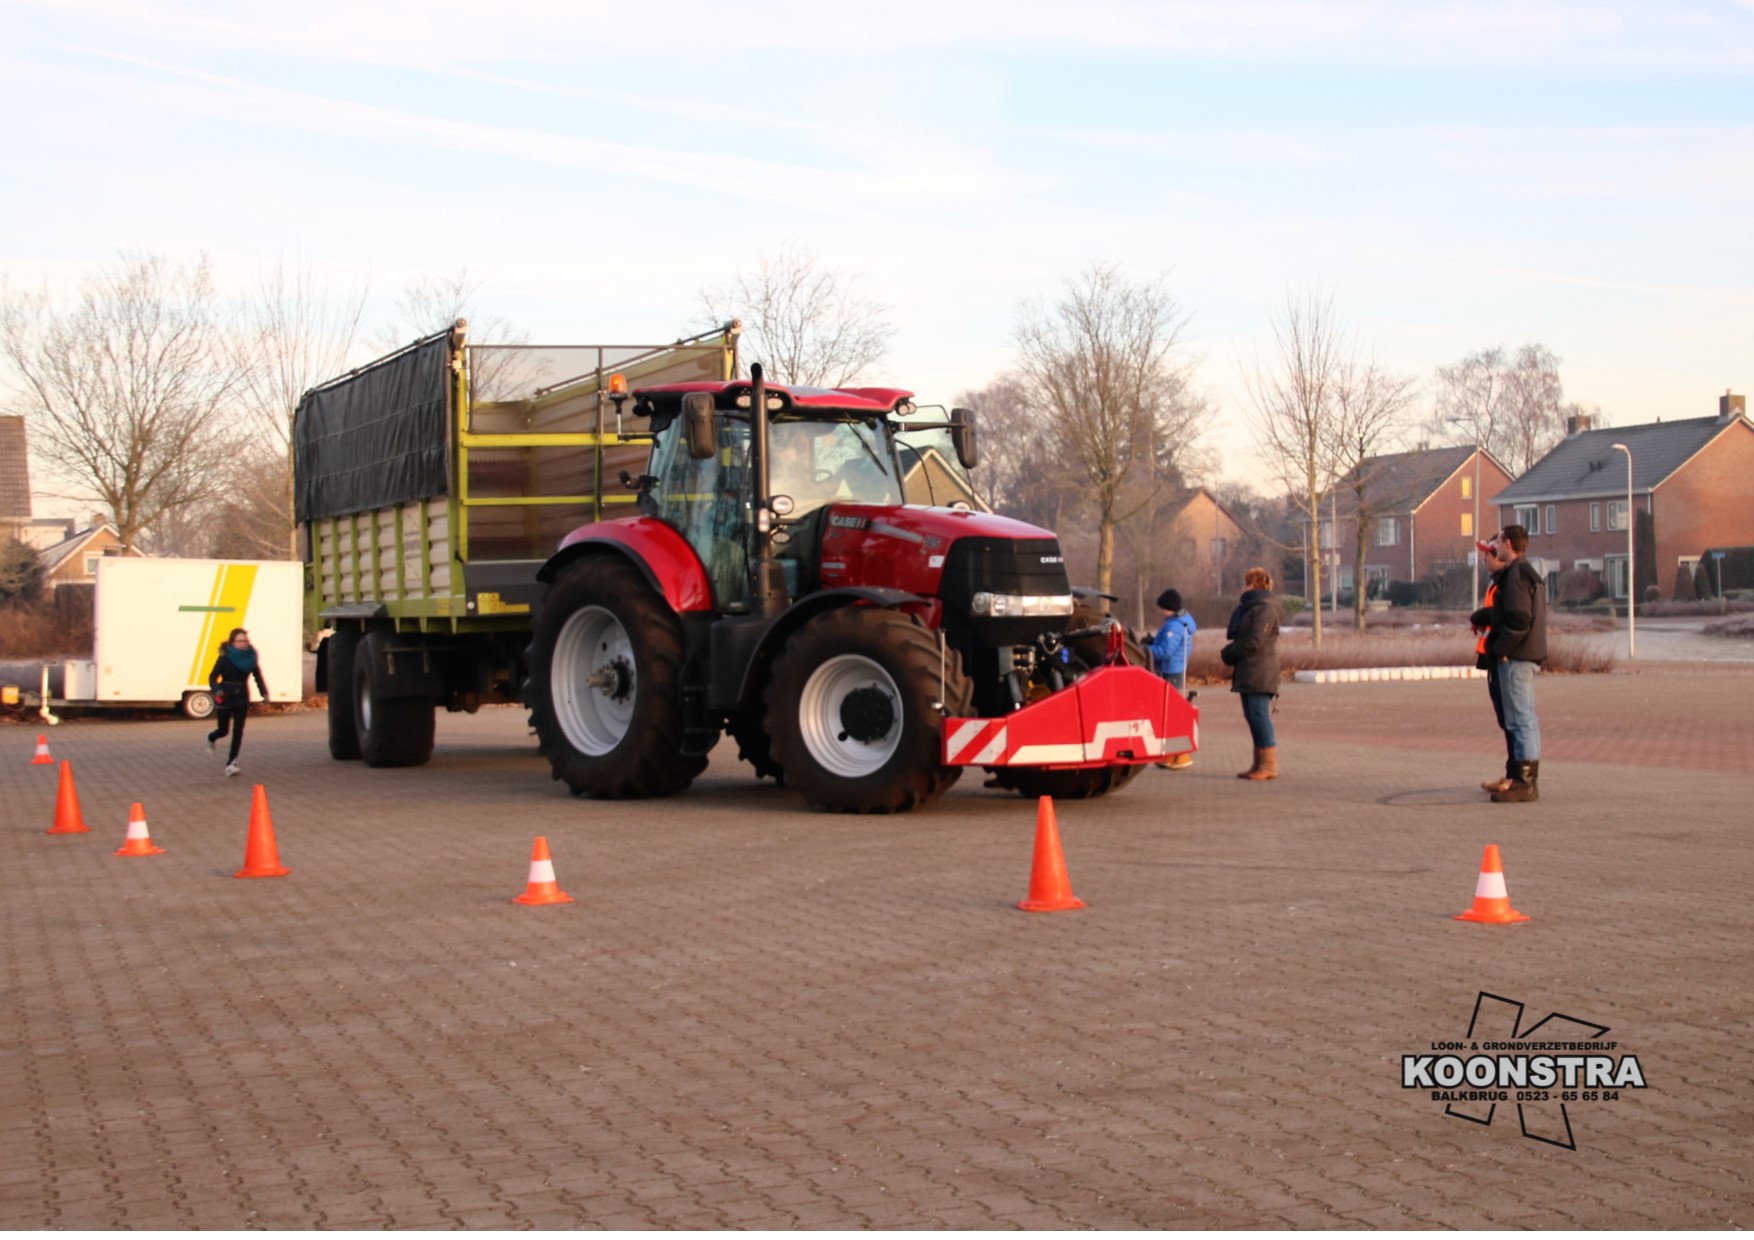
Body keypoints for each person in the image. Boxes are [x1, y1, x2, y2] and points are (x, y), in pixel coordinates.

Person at [1486, 524, 1547, 803]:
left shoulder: (1516, 576)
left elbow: (1520, 619)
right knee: (1525, 719)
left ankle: (1524, 782)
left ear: (1508, 543)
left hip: (1517, 658)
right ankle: (1521, 778)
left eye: (1498, 541)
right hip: (1528, 654)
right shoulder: (1528, 572)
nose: (1495, 546)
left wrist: (1501, 649)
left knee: (1520, 719)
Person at [1221, 567, 1282, 781]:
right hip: (1249, 670)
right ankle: (1258, 763)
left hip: (1260, 672)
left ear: (1255, 585)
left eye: (1247, 583)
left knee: (1259, 716)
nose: (1245, 587)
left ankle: (1268, 765)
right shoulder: (1249, 609)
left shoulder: (1265, 610)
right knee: (1252, 716)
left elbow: (1255, 641)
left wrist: (1229, 653)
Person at [1469, 537, 1517, 795]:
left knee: (1513, 719)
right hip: (1492, 657)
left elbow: (1503, 616)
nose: (1485, 559)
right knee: (1505, 719)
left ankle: (1515, 776)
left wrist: (1480, 616)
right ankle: (1511, 774)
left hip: (1502, 657)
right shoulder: (1495, 583)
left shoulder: (1507, 585)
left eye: (1488, 554)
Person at [206, 627, 268, 777]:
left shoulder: (250, 657)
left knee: (238, 730)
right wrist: (216, 690)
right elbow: (212, 677)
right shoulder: (225, 657)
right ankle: (211, 737)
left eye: (245, 641)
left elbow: (257, 676)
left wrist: (264, 693)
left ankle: (231, 763)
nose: (243, 644)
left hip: (241, 695)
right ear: (232, 642)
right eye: (239, 641)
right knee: (224, 730)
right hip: (225, 694)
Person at [1147, 588, 1197, 769]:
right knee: (1170, 714)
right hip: (1174, 671)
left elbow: (1165, 651)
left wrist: (1146, 650)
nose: (1161, 611)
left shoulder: (1174, 626)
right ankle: (1172, 755)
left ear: (1170, 608)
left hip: (1172, 672)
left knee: (1172, 715)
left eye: (1163, 608)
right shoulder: (1177, 622)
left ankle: (1180, 755)